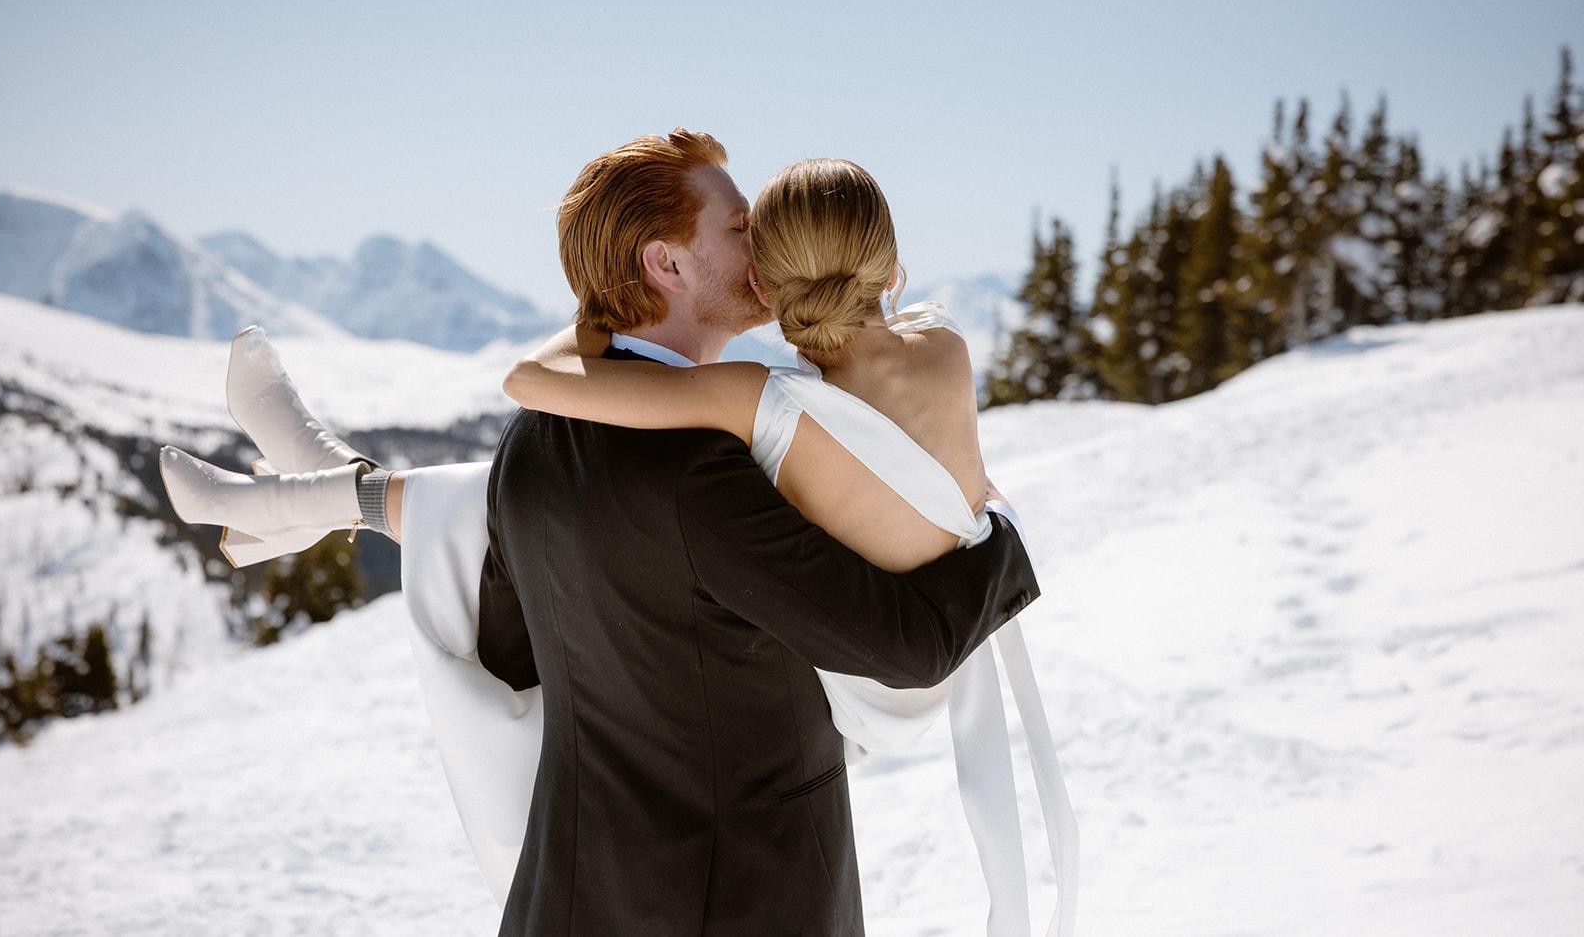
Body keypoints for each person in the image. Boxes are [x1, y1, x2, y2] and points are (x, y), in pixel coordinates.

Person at [159, 130, 1063, 935]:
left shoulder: (533, 441)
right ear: (666, 264)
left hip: (569, 900)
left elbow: (507, 642)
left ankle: (313, 489)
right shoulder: (709, 471)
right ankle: (315, 489)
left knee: (454, 499)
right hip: (748, 903)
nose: (764, 245)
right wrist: (1001, 539)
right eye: (739, 227)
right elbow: (906, 646)